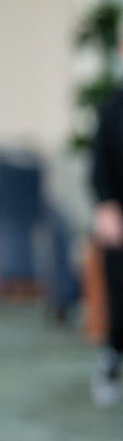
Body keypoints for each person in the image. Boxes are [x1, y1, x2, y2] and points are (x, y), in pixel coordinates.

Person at [90, 88, 123, 407]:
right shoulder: (112, 109)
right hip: (119, 215)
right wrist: (107, 206)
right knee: (119, 292)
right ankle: (112, 359)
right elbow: (100, 166)